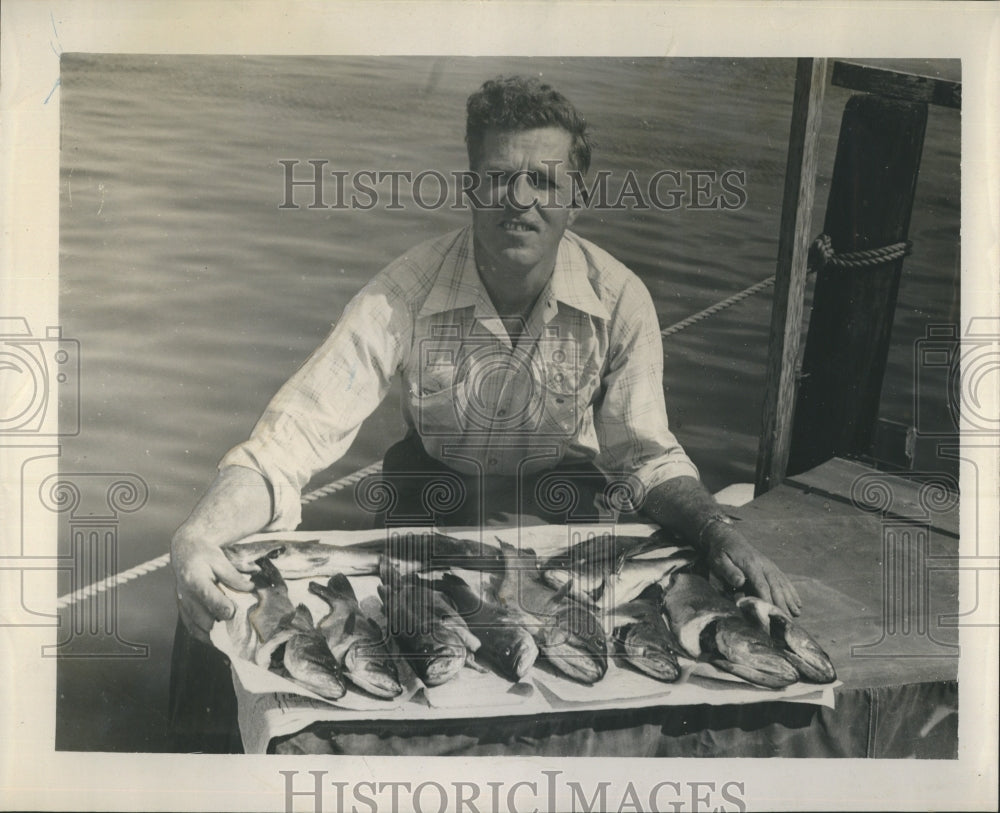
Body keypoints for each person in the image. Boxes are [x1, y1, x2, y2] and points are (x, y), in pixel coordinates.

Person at [169, 77, 801, 743]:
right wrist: (198, 533)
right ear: (471, 188)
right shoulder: (400, 295)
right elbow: (287, 440)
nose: (518, 201)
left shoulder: (621, 300)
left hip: (567, 522)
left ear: (576, 198)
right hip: (428, 513)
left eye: (542, 180)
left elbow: (647, 458)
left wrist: (719, 533)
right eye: (498, 178)